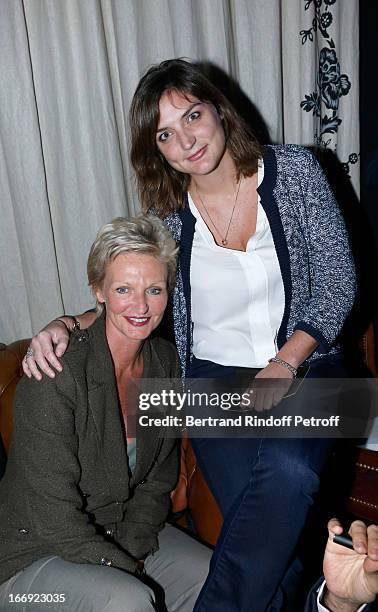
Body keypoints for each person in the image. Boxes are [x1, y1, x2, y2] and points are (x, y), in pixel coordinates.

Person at [22, 59, 357, 611]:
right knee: (271, 537)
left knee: (290, 473)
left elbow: (338, 279)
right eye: (165, 134)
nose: (187, 141)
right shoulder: (168, 214)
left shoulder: (297, 171)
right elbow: (135, 294)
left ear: (219, 110)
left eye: (193, 116)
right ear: (156, 150)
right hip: (210, 382)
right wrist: (63, 324)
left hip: (310, 363)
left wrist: (286, 363)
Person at [0, 215, 212, 612]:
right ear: (98, 290)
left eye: (154, 289)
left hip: (118, 530)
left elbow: (158, 479)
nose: (141, 306)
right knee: (127, 599)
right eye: (123, 289)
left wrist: (131, 546)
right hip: (29, 556)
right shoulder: (56, 371)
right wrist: (125, 566)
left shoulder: (163, 362)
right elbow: (52, 516)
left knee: (212, 576)